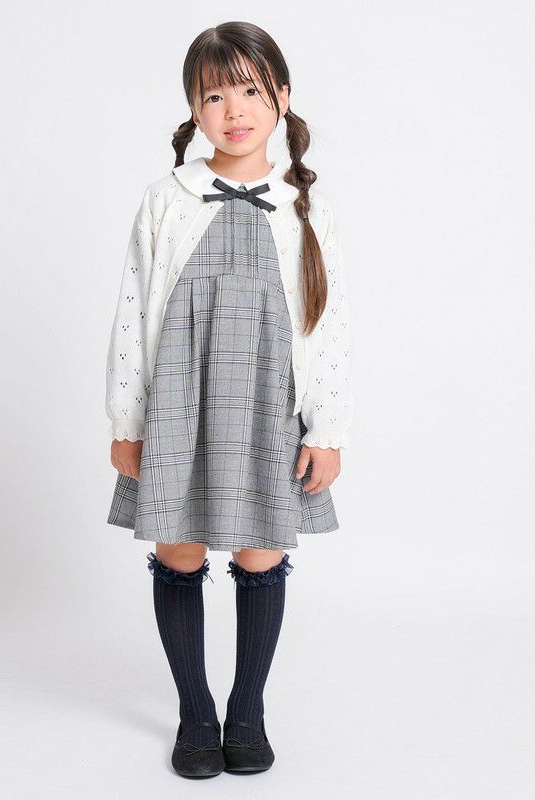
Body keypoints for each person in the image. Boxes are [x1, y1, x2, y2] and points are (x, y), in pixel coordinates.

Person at [104, 21, 354, 778]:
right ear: (193, 107)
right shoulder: (167, 200)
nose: (234, 109)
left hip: (267, 406)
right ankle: (194, 711)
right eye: (214, 95)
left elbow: (327, 322)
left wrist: (327, 428)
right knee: (178, 549)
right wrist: (127, 420)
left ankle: (247, 711)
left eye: (250, 90)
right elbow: (132, 311)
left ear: (282, 96)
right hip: (180, 401)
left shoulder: (304, 207)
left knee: (260, 549)